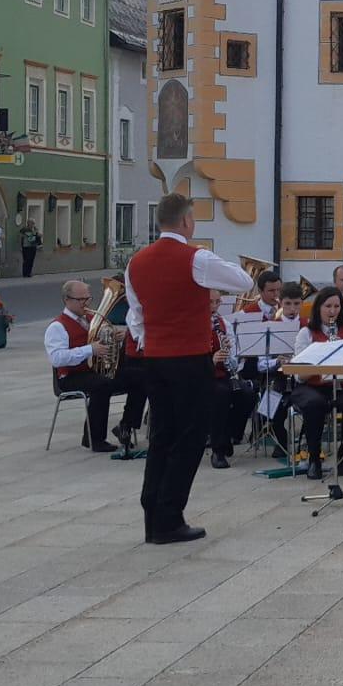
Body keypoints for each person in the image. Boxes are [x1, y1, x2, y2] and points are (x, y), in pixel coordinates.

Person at [125, 192, 254, 544]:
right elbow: (244, 282)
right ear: (185, 221)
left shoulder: (136, 262)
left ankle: (152, 513)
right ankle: (169, 517)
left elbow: (136, 316)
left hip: (154, 358)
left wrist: (152, 341)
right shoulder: (196, 257)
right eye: (193, 219)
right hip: (190, 358)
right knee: (191, 437)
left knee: (161, 435)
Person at [43, 280, 145, 451]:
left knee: (141, 377)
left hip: (94, 371)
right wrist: (90, 349)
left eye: (88, 299)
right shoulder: (57, 326)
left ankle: (126, 425)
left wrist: (115, 339)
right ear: (67, 300)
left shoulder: (93, 319)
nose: (86, 303)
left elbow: (105, 347)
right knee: (102, 384)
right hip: (71, 376)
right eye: (80, 299)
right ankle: (94, 439)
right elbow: (57, 358)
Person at [289, 284, 343, 479]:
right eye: (328, 306)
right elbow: (299, 375)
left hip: (339, 385)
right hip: (310, 386)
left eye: (336, 307)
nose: (332, 311)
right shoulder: (306, 333)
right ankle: (314, 457)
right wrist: (321, 360)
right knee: (315, 404)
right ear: (318, 308)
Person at [208, 297, 257, 469]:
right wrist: (211, 360)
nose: (214, 306)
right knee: (221, 394)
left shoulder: (224, 325)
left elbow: (236, 360)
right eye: (210, 302)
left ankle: (229, 435)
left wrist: (229, 354)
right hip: (202, 377)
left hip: (224, 375)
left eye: (217, 302)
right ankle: (217, 450)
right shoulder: (193, 325)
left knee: (248, 394)